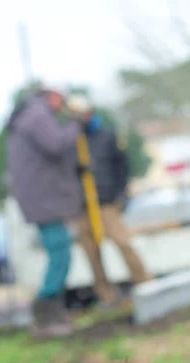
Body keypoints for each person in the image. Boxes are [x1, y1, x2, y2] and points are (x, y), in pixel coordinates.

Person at [7, 84, 83, 339]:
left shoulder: (28, 115)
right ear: (52, 96)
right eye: (61, 100)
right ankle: (46, 314)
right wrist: (75, 124)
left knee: (59, 251)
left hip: (39, 198)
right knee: (60, 252)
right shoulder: (38, 115)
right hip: (44, 200)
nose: (62, 106)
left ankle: (51, 312)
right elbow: (57, 144)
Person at [67, 95, 152, 307]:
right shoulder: (70, 141)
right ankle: (105, 293)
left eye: (83, 113)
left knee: (122, 242)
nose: (81, 118)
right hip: (82, 206)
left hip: (105, 202)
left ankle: (145, 283)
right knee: (91, 251)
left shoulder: (107, 135)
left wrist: (121, 194)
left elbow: (122, 166)